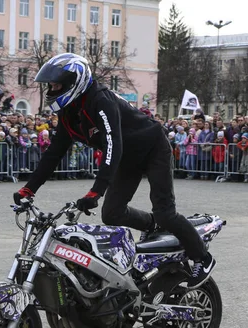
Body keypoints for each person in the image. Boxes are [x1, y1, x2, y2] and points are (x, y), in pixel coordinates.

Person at [12, 53, 214, 286]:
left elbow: (112, 146)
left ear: (73, 82)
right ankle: (152, 225)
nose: (52, 89)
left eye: (57, 84)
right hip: (128, 158)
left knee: (165, 212)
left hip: (152, 148)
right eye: (51, 85)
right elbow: (54, 153)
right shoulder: (68, 112)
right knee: (112, 214)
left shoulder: (100, 101)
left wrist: (96, 191)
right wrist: (29, 189)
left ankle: (203, 257)